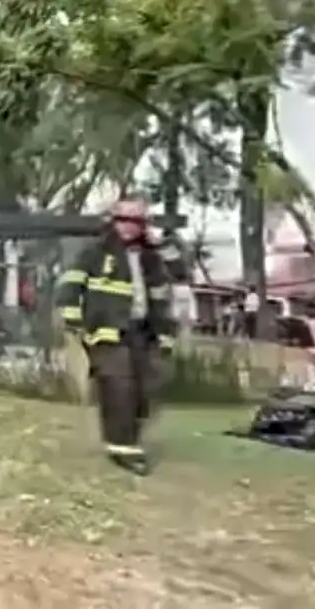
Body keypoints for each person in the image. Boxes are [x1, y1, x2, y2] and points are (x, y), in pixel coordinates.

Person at [55, 196, 188, 475]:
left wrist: (162, 244)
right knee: (118, 385)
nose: (129, 225)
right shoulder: (95, 252)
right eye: (123, 219)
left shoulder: (152, 258)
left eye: (136, 220)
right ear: (113, 220)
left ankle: (129, 439)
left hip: (143, 333)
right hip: (106, 332)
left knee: (144, 390)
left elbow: (178, 276)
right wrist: (73, 320)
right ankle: (121, 448)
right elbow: (70, 285)